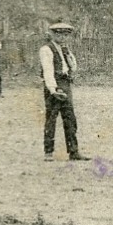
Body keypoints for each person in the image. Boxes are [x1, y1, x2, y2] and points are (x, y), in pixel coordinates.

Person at [39, 22, 88, 162]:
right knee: (51, 119)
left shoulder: (65, 49)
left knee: (70, 119)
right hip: (54, 85)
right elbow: (48, 70)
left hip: (66, 84)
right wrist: (53, 89)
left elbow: (73, 67)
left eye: (65, 34)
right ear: (53, 34)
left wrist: (68, 54)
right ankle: (48, 152)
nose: (62, 37)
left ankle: (74, 151)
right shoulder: (46, 49)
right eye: (59, 33)